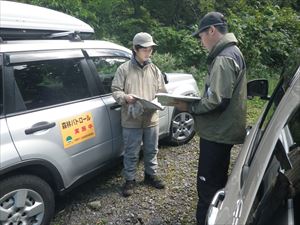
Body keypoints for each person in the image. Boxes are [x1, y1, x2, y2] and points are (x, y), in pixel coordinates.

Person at [174, 12, 247, 225]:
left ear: (212, 31)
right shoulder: (232, 52)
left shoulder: (224, 58)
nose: (201, 41)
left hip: (218, 133)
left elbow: (218, 101)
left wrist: (189, 106)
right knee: (217, 182)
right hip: (223, 132)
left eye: (201, 35)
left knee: (207, 189)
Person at [111, 32, 167, 197]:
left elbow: (162, 91)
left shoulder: (154, 69)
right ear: (135, 49)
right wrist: (125, 98)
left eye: (151, 50)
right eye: (145, 49)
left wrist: (158, 100)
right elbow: (115, 90)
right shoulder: (124, 69)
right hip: (131, 119)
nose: (149, 53)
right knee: (131, 152)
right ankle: (130, 180)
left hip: (151, 118)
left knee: (151, 150)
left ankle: (151, 175)